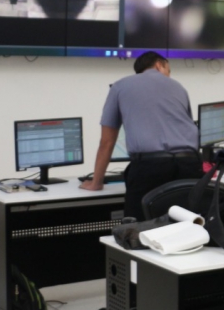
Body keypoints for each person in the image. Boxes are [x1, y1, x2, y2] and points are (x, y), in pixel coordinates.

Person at [81, 52, 202, 220]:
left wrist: (96, 183)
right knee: (185, 224)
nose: (168, 75)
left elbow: (107, 142)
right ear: (159, 65)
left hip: (149, 168)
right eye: (169, 70)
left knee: (138, 227)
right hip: (190, 165)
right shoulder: (179, 87)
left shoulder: (120, 86)